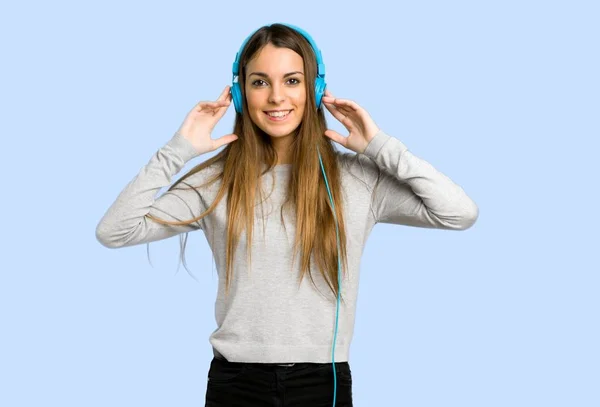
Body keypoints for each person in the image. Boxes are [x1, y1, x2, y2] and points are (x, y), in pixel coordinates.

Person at [96, 22, 479, 407]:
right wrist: (177, 150)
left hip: (321, 381)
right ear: (240, 94)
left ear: (314, 89)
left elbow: (458, 213)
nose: (277, 97)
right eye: (260, 82)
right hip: (236, 382)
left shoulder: (357, 179)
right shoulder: (215, 181)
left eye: (292, 81)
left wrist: (379, 146)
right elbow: (115, 231)